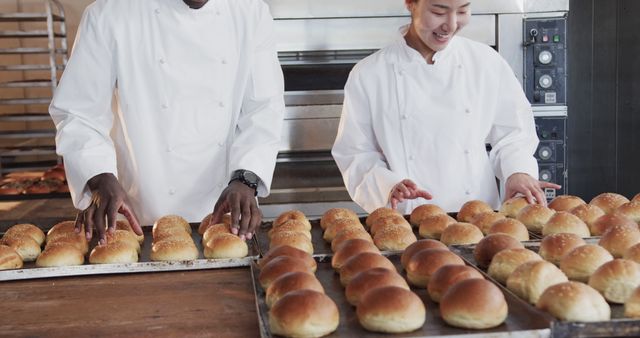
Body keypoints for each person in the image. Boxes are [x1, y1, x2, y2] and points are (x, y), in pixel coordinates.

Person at [49, 0, 284, 244]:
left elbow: (264, 109)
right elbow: (78, 111)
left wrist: (246, 179)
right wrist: (98, 177)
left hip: (227, 221)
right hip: (138, 216)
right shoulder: (109, 14)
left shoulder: (251, 13)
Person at [331, 0, 560, 215]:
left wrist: (517, 171)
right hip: (410, 225)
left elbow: (514, 133)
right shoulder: (370, 74)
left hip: (480, 221)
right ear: (411, 3)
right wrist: (387, 186)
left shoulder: (485, 62)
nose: (451, 25)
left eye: (462, 10)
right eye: (439, 12)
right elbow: (355, 153)